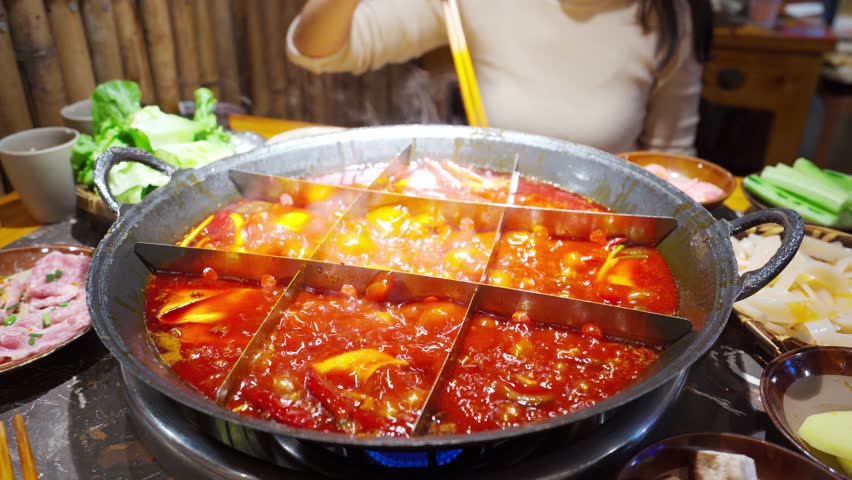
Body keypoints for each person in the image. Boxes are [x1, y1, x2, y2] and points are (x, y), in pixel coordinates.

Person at [286, 0, 713, 155]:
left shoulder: (672, 14)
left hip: (605, 227)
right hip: (487, 214)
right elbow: (319, 50)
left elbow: (672, 162)